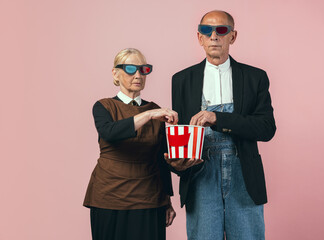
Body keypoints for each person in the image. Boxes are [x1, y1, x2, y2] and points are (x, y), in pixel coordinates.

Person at [166, 10, 276, 240]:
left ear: (233, 37)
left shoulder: (255, 77)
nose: (214, 36)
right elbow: (183, 136)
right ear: (199, 37)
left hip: (243, 174)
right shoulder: (182, 80)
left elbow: (266, 128)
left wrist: (217, 118)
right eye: (207, 30)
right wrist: (178, 164)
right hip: (200, 176)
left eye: (221, 30)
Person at [83, 48, 177, 240]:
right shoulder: (104, 106)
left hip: (150, 198)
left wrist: (167, 199)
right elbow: (110, 132)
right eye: (131, 69)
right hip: (109, 196)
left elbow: (161, 157)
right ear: (115, 73)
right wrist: (148, 114)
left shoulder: (156, 109)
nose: (138, 75)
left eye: (143, 69)